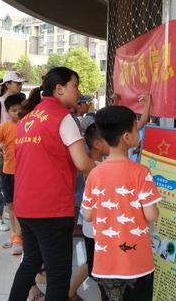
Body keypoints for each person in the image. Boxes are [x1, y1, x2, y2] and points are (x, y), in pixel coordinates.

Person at [8, 67, 96, 301]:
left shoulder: (28, 118)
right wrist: (109, 172)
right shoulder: (63, 118)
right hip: (51, 208)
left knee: (30, 263)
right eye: (75, 85)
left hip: (25, 205)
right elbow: (82, 162)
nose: (78, 91)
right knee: (58, 276)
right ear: (59, 89)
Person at [82, 105, 161, 301]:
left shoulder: (94, 173)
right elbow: (151, 214)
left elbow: (88, 215)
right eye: (135, 128)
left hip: (105, 264)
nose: (138, 131)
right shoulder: (141, 172)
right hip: (137, 264)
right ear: (126, 137)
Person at [69, 123, 110, 301]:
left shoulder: (90, 163)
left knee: (93, 263)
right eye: (109, 139)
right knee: (98, 267)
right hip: (96, 227)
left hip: (91, 227)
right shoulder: (96, 167)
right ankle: (70, 292)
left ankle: (70, 292)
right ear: (97, 144)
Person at [0, 71, 26, 232]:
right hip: (4, 148)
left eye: (21, 83)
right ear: (7, 84)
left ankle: (13, 217)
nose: (20, 86)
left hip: (19, 148)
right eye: (17, 83)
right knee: (5, 184)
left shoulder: (21, 100)